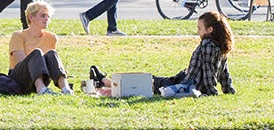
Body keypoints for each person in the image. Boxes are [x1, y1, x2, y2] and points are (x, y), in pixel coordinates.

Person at [94, 11, 235, 97]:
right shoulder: (220, 46)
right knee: (150, 82)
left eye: (200, 28)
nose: (198, 31)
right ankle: (104, 81)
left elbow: (208, 72)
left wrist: (212, 92)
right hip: (184, 79)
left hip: (185, 84)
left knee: (146, 83)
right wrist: (228, 90)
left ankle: (103, 81)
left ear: (210, 29)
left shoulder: (207, 45)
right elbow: (224, 73)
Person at [7, 0, 73, 95]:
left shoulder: (51, 37)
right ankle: (41, 89)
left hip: (43, 76)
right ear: (31, 17)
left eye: (48, 16)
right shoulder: (18, 36)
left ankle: (66, 88)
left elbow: (52, 63)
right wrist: (37, 60)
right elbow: (19, 62)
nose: (47, 19)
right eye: (43, 16)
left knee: (52, 53)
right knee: (37, 53)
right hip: (20, 80)